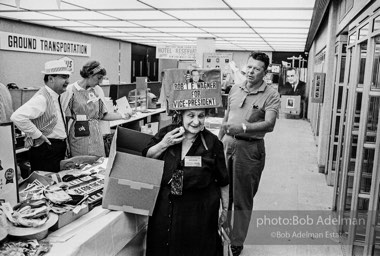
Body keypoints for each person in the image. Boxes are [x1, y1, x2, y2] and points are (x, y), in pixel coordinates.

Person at [143, 109, 229, 256]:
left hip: (198, 212)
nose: (196, 122)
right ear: (180, 115)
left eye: (201, 116)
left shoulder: (212, 143)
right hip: (167, 208)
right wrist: (164, 144)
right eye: (191, 116)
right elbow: (146, 156)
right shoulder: (168, 133)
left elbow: (223, 180)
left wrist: (226, 210)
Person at [218, 52, 280, 256]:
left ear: (265, 72)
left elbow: (269, 124)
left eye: (257, 69)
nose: (251, 72)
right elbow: (227, 117)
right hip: (227, 145)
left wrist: (243, 128)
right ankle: (223, 234)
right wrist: (218, 144)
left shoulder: (271, 94)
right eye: (249, 67)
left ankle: (237, 241)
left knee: (243, 199)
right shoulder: (235, 88)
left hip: (249, 150)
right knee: (224, 194)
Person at [11, 60, 71, 173]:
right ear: (51, 79)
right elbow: (17, 117)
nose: (67, 81)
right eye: (63, 77)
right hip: (47, 149)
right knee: (47, 183)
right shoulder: (42, 98)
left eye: (67, 77)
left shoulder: (55, 95)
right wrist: (37, 135)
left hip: (54, 148)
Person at [64, 60, 131, 157]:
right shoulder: (71, 90)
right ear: (89, 74)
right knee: (80, 164)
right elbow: (66, 119)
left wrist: (123, 115)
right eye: (98, 78)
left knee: (98, 164)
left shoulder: (97, 90)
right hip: (78, 135)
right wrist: (65, 141)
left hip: (96, 135)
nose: (100, 82)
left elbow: (103, 115)